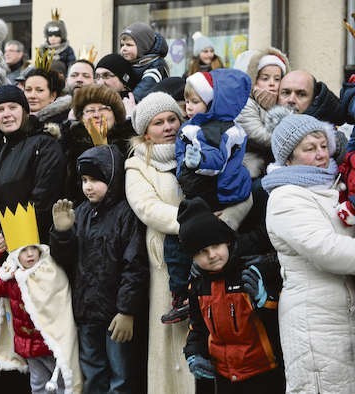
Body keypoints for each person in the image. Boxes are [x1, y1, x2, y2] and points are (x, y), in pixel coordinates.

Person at [125, 92, 252, 394]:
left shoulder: (203, 148)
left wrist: (222, 225)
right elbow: (147, 208)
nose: (168, 126)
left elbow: (240, 190)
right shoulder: (137, 166)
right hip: (168, 263)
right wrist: (196, 226)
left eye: (172, 119)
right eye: (159, 122)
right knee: (173, 344)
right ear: (146, 131)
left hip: (217, 254)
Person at [263, 112, 355, 393]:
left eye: (323, 146)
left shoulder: (334, 187)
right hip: (314, 322)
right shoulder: (286, 196)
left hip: (342, 314)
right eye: (309, 148)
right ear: (289, 157)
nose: (320, 155)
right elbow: (325, 248)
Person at [50, 145, 149, 394]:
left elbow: (134, 265)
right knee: (92, 373)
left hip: (115, 315)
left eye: (95, 179)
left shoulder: (126, 214)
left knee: (121, 376)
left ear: (112, 179)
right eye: (84, 180)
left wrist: (127, 310)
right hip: (86, 312)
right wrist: (62, 234)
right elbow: (65, 261)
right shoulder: (81, 213)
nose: (88, 186)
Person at [178, 197, 285, 393]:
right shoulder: (198, 286)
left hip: (263, 373)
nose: (212, 255)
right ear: (192, 257)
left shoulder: (250, 272)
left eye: (216, 246)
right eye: (202, 251)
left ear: (227, 242)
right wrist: (194, 353)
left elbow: (280, 319)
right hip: (224, 376)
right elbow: (197, 328)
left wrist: (265, 300)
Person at [0, 203, 82, 394]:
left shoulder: (49, 270)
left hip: (50, 343)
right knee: (38, 384)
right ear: (14, 255)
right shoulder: (13, 275)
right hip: (27, 345)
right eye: (23, 250)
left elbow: (58, 301)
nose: (30, 254)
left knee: (62, 383)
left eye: (32, 248)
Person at [0, 85, 66, 248]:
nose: (6, 114)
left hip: (30, 249)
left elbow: (43, 200)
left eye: (13, 107)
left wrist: (13, 233)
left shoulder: (44, 145)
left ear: (25, 111)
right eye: (0, 109)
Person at [176, 69, 252, 211]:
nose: (188, 106)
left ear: (211, 103)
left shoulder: (215, 129)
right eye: (186, 101)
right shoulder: (194, 124)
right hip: (198, 187)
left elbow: (216, 157)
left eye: (195, 101)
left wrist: (200, 159)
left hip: (219, 193)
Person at [65, 84, 135, 203]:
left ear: (115, 115)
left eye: (103, 108)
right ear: (81, 118)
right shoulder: (69, 146)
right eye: (90, 110)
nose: (97, 115)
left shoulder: (130, 144)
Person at [235, 48, 290, 178]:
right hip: (252, 165)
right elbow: (258, 135)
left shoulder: (283, 102)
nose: (272, 84)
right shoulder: (246, 103)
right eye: (265, 78)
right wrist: (291, 141)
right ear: (254, 79)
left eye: (277, 79)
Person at [119, 22, 169, 102]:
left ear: (143, 46)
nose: (123, 49)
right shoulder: (130, 62)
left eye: (129, 45)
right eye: (122, 45)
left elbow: (145, 87)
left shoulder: (156, 65)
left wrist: (129, 101)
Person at [278, 69, 346, 125]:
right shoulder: (268, 128)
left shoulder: (330, 138)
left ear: (314, 99)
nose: (291, 100)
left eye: (301, 94)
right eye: (286, 93)